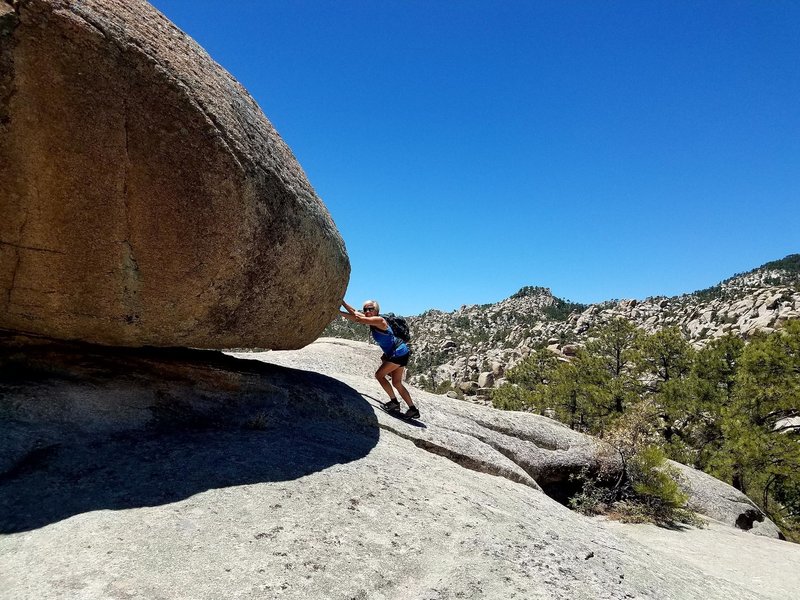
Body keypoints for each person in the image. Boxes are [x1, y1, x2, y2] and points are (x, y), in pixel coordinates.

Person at [340, 299, 420, 419]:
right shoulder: (373, 320)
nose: (367, 311)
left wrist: (337, 312)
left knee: (379, 375)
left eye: (370, 309)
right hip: (401, 351)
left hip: (397, 353)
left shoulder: (379, 320)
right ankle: (413, 409)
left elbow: (358, 318)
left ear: (376, 310)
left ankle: (394, 402)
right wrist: (342, 303)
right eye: (365, 309)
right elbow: (355, 312)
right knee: (397, 383)